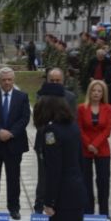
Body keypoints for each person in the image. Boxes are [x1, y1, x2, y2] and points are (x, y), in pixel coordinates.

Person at [32, 83, 86, 221]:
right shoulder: (71, 126)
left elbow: (53, 171)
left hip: (63, 195)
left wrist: (49, 202)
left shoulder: (51, 131)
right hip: (74, 191)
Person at [0, 67, 30, 219]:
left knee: (14, 178)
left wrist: (11, 133)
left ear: (13, 80)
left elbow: (24, 118)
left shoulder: (22, 97)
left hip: (14, 144)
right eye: (4, 80)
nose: (7, 82)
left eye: (9, 79)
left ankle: (14, 207)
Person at [33, 68, 77, 213]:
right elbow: (38, 120)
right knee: (43, 175)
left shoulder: (70, 97)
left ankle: (57, 202)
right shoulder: (41, 96)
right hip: (43, 142)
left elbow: (72, 121)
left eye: (58, 81)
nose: (55, 83)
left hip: (63, 144)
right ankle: (39, 204)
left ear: (63, 81)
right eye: (52, 81)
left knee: (60, 173)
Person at [78, 80, 111, 216]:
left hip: (102, 149)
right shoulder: (81, 108)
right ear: (89, 92)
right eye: (94, 90)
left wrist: (95, 144)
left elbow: (107, 130)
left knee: (103, 181)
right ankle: (88, 211)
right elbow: (79, 128)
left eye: (99, 91)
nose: (96, 93)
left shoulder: (108, 108)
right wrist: (89, 145)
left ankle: (104, 212)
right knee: (86, 181)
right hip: (85, 149)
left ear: (103, 93)